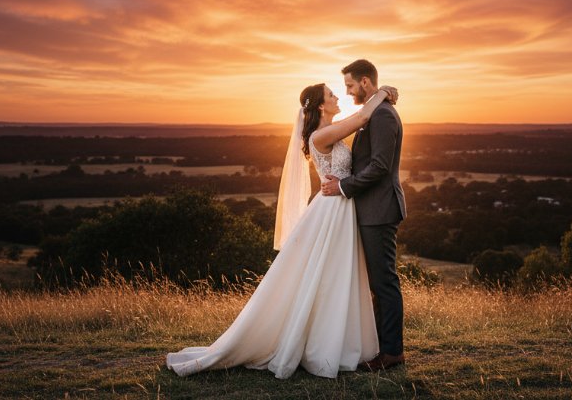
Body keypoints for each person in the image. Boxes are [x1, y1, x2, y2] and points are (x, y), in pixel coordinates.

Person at [166, 80, 399, 379]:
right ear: (319, 106)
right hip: (332, 210)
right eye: (331, 94)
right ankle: (320, 344)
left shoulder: (331, 128)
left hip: (341, 207)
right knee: (325, 276)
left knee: (337, 276)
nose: (337, 96)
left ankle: (340, 341)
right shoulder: (321, 135)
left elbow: (359, 122)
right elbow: (363, 117)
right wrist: (383, 92)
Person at [321, 59, 407, 371]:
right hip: (369, 209)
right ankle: (380, 347)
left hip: (380, 209)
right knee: (376, 281)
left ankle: (392, 352)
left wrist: (344, 186)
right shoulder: (374, 111)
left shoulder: (382, 115)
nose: (347, 91)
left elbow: (380, 166)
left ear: (365, 83)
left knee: (384, 282)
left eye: (349, 85)